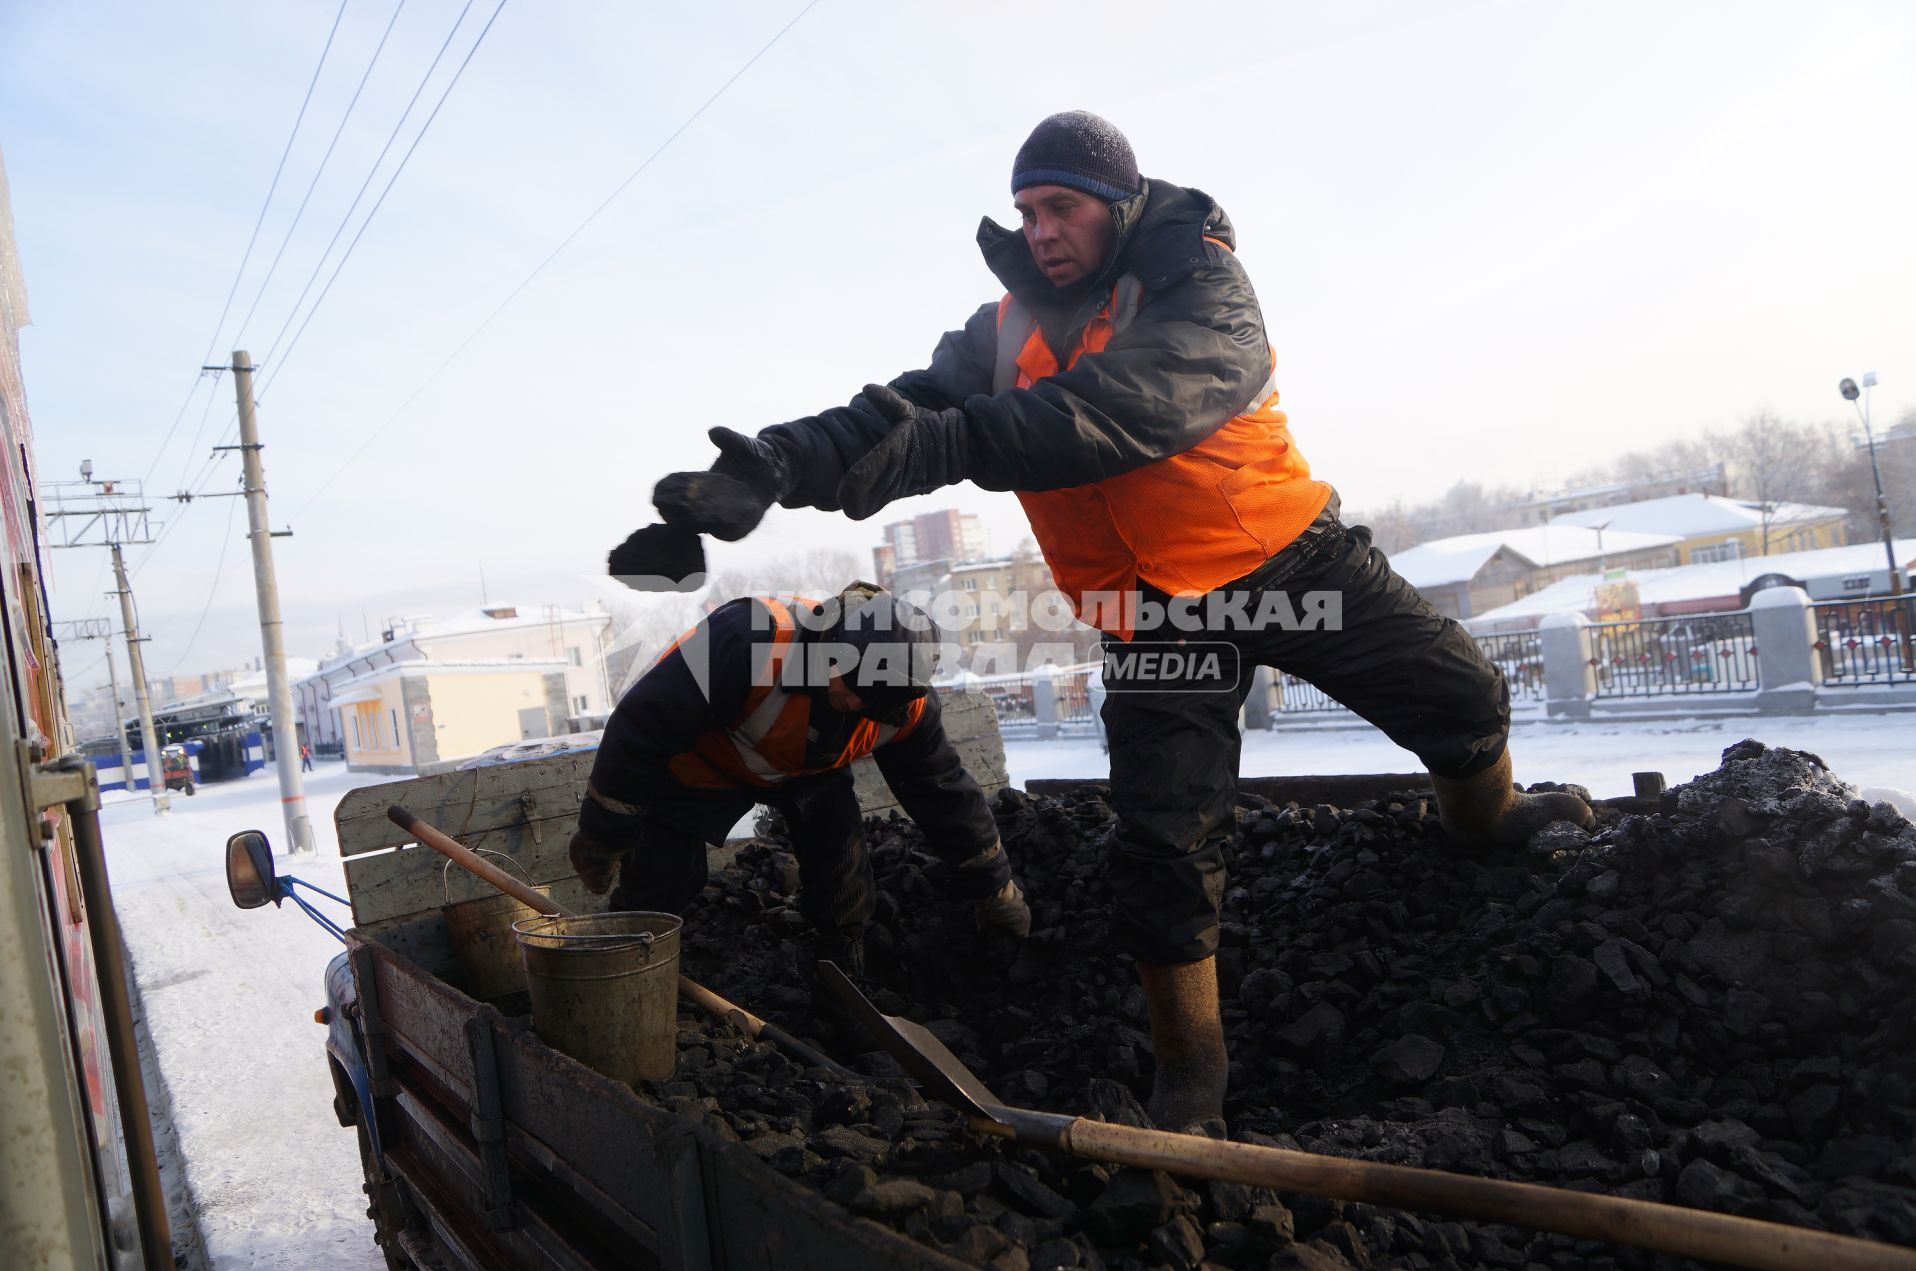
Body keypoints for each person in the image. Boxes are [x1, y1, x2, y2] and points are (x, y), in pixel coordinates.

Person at [629, 112, 1592, 1133]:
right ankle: (1190, 1076)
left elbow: (1107, 413)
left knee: (1458, 691)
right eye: (1027, 211)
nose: (1041, 229)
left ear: (1118, 206)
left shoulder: (1197, 281)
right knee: (1164, 838)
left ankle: (1480, 818)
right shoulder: (1000, 333)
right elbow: (896, 412)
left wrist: (937, 446)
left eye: (1062, 207)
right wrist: (776, 465)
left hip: (1281, 555)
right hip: (1147, 610)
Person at [568, 583, 1031, 985]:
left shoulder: (903, 706)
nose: (848, 699)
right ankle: (630, 963)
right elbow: (641, 726)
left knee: (843, 863)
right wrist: (604, 833)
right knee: (662, 880)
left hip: (811, 770)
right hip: (706, 764)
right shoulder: (750, 639)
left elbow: (943, 792)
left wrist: (995, 889)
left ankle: (843, 971)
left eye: (864, 699)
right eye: (845, 681)